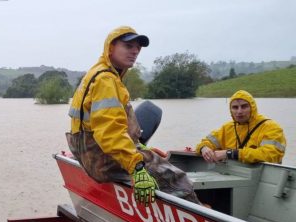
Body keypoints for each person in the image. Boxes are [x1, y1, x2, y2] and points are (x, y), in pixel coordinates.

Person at [66, 26, 200, 207]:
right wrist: (137, 167)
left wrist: (139, 147)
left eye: (138, 47)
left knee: (155, 161)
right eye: (128, 45)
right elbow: (110, 132)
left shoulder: (98, 72)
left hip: (91, 153)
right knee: (178, 180)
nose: (135, 51)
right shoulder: (106, 80)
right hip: (104, 159)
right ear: (111, 47)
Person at [196, 90, 286, 164]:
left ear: (253, 108)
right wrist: (204, 148)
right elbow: (205, 142)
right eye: (235, 107)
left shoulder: (271, 127)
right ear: (230, 110)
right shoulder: (227, 128)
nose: (239, 111)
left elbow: (271, 155)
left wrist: (230, 153)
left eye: (244, 106)